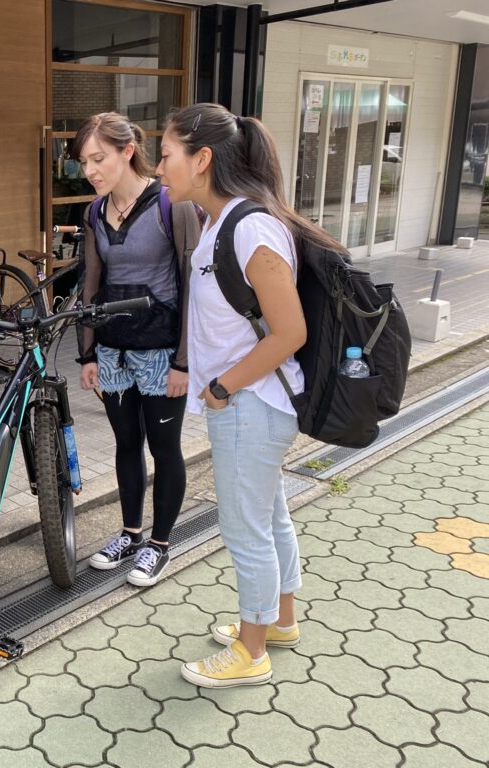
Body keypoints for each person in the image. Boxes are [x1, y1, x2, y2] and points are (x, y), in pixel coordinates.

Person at [156, 103, 330, 688]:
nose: (159, 168)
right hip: (250, 406)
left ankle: (251, 652)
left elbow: (290, 331)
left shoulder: (248, 226)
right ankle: (279, 621)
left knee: (244, 526)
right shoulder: (221, 221)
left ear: (201, 159)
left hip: (251, 406)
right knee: (269, 514)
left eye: (166, 154)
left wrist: (222, 386)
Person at [72, 112, 201, 588]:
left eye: (98, 159)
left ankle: (160, 544)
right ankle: (130, 533)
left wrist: (185, 362)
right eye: (84, 162)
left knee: (164, 448)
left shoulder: (172, 204)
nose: (90, 170)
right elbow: (91, 284)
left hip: (163, 354)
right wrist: (88, 353)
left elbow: (193, 286)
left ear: (128, 151)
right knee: (127, 443)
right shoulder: (94, 212)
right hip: (114, 352)